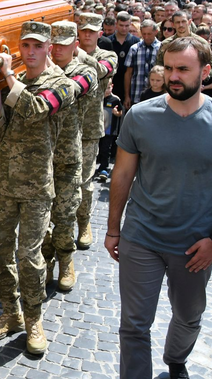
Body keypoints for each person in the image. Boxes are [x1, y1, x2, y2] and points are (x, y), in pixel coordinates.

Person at [106, 37, 212, 379]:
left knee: (189, 316)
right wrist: (114, 229)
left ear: (205, 71)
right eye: (169, 68)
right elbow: (123, 174)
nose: (174, 77)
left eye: (183, 70)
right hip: (141, 236)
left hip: (196, 245)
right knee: (133, 324)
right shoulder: (140, 116)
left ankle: (176, 360)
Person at [0, 22, 75, 355]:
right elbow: (0, 134)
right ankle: (11, 312)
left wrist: (7, 77)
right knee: (0, 254)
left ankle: (34, 319)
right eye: (25, 46)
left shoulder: (63, 86)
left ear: (50, 47)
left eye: (37, 46)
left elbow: (36, 109)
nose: (31, 52)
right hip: (2, 184)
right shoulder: (15, 82)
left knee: (30, 258)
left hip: (37, 186)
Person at [42, 21, 94, 292]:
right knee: (39, 221)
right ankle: (45, 263)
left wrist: (45, 71)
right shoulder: (36, 72)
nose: (58, 49)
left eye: (64, 44)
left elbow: (70, 91)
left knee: (63, 216)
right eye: (54, 44)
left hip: (67, 158)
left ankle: (66, 261)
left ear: (75, 46)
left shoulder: (85, 72)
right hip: (38, 159)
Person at [75, 13, 117, 249]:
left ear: (100, 34)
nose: (88, 34)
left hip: (89, 127)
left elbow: (103, 70)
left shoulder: (107, 55)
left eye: (92, 31)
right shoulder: (63, 54)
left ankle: (83, 223)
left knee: (85, 180)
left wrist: (78, 53)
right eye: (84, 30)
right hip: (62, 127)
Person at [123, 20, 160, 109]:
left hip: (156, 96)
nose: (146, 37)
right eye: (144, 34)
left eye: (149, 34)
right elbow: (128, 73)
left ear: (156, 32)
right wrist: (127, 96)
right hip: (136, 94)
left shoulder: (161, 48)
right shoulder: (134, 48)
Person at [108, 11, 139, 100]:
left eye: (127, 26)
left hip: (130, 84)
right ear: (116, 24)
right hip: (112, 83)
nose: (124, 28)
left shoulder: (136, 42)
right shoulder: (108, 41)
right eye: (121, 25)